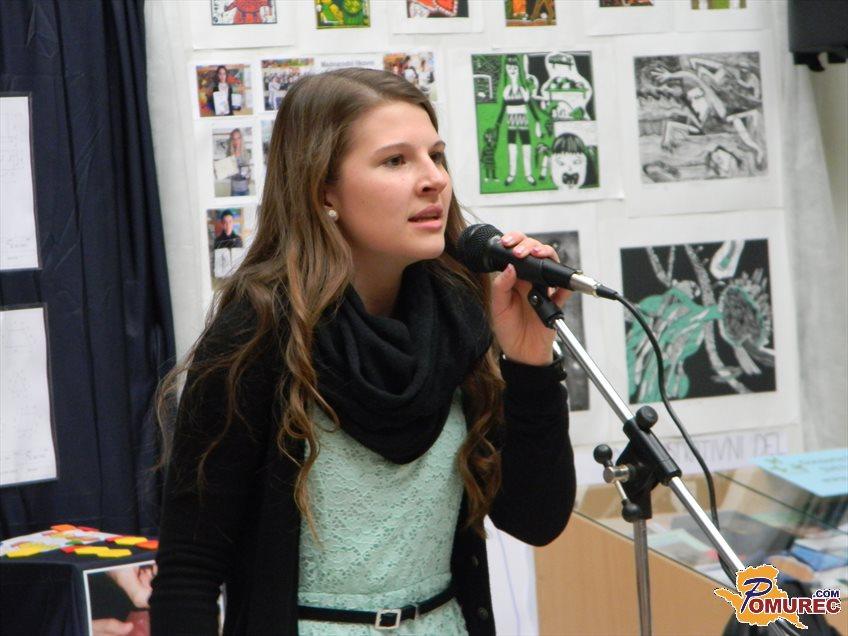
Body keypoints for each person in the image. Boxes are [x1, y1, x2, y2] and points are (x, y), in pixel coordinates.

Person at [150, 68, 576, 635]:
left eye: (436, 156)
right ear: (324, 191)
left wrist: (529, 363)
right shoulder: (257, 331)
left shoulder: (460, 313)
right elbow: (189, 571)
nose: (434, 180)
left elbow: (536, 519)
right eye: (396, 161)